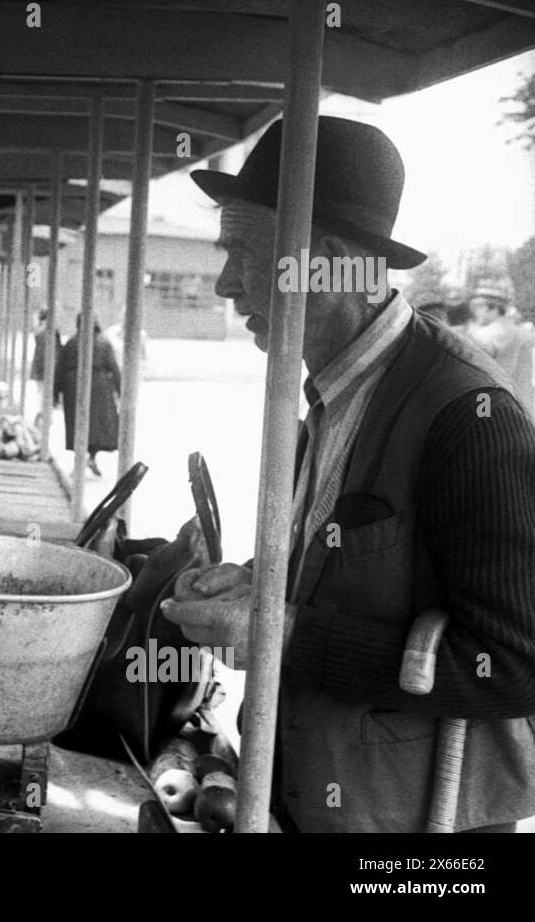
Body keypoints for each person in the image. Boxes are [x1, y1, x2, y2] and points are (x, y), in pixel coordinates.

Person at [163, 116, 535, 832]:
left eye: (245, 252)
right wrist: (256, 588)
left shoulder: (468, 415)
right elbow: (349, 578)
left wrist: (284, 633)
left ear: (328, 262)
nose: (225, 284)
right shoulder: (331, 389)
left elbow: (516, 663)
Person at [55, 314, 121, 477]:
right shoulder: (104, 343)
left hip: (74, 387)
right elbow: (114, 367)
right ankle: (91, 457)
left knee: (77, 423)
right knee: (97, 426)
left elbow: (60, 368)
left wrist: (55, 392)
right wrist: (121, 390)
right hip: (100, 389)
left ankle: (80, 461)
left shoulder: (71, 343)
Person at [464, 285, 534, 415]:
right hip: (521, 403)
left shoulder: (494, 334)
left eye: (479, 306)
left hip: (496, 401)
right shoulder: (520, 332)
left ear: (494, 309)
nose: (474, 312)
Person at [28, 308, 60, 429]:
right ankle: (44, 417)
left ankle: (44, 416)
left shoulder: (41, 331)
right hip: (47, 367)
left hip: (41, 367)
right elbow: (52, 352)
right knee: (45, 394)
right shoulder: (49, 332)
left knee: (42, 393)